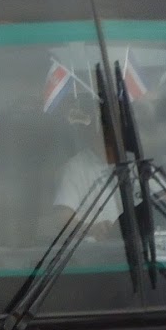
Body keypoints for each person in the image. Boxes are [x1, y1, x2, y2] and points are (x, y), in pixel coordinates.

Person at [48, 98, 120, 241]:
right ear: (93, 132)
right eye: (104, 130)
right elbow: (62, 219)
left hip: (138, 248)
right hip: (95, 249)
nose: (111, 135)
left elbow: (161, 198)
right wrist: (92, 229)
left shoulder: (134, 163)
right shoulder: (74, 168)